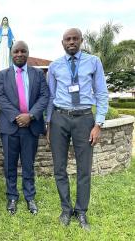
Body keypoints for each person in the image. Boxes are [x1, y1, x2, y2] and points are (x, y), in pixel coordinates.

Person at [46, 28, 108, 231]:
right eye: (67, 39)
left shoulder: (93, 61)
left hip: (84, 120)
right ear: (62, 42)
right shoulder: (55, 66)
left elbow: (101, 93)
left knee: (84, 169)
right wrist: (48, 123)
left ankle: (81, 211)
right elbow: (50, 97)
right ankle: (66, 209)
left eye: (75, 39)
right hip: (60, 119)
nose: (71, 42)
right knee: (59, 168)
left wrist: (98, 124)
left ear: (81, 40)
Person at [0, 41, 49, 215]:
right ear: (12, 53)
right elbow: (0, 97)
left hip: (31, 127)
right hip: (10, 126)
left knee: (28, 164)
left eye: (23, 51)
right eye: (16, 51)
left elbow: (44, 96)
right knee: (10, 165)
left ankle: (30, 197)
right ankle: (12, 197)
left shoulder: (38, 74)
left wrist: (30, 116)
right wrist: (17, 116)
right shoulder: (2, 75)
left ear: (28, 53)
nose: (19, 54)